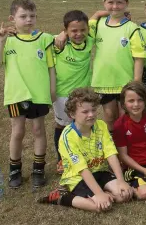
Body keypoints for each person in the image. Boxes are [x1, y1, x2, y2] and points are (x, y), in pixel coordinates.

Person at [0, 0, 56, 188]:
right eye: (23, 16)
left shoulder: (44, 39)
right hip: (16, 94)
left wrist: (52, 89)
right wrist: (1, 42)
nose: (28, 20)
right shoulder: (6, 40)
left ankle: (38, 170)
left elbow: (51, 67)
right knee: (17, 132)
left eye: (32, 16)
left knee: (38, 130)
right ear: (12, 18)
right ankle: (15, 170)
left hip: (39, 94)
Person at [37, 87, 133, 212]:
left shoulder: (101, 126)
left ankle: (103, 193)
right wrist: (99, 194)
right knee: (101, 207)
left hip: (100, 171)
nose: (91, 114)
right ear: (72, 114)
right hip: (78, 178)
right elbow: (82, 169)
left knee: (124, 195)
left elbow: (111, 154)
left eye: (93, 110)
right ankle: (62, 197)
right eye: (85, 112)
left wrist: (121, 181)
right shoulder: (67, 137)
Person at [89, 0, 146, 133]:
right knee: (109, 116)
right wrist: (96, 15)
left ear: (126, 4)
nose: (115, 6)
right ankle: (113, 148)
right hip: (104, 81)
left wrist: (136, 82)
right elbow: (80, 33)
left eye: (120, 2)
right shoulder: (98, 24)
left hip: (125, 82)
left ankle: (126, 149)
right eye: (110, 2)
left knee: (124, 117)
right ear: (104, 3)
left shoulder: (132, 28)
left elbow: (139, 57)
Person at [51, 10, 93, 175]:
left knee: (83, 124)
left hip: (83, 94)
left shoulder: (89, 40)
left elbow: (97, 15)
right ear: (66, 30)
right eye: (73, 31)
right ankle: (61, 159)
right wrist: (61, 35)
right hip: (63, 94)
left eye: (82, 30)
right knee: (63, 125)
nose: (79, 34)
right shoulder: (59, 44)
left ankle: (83, 157)